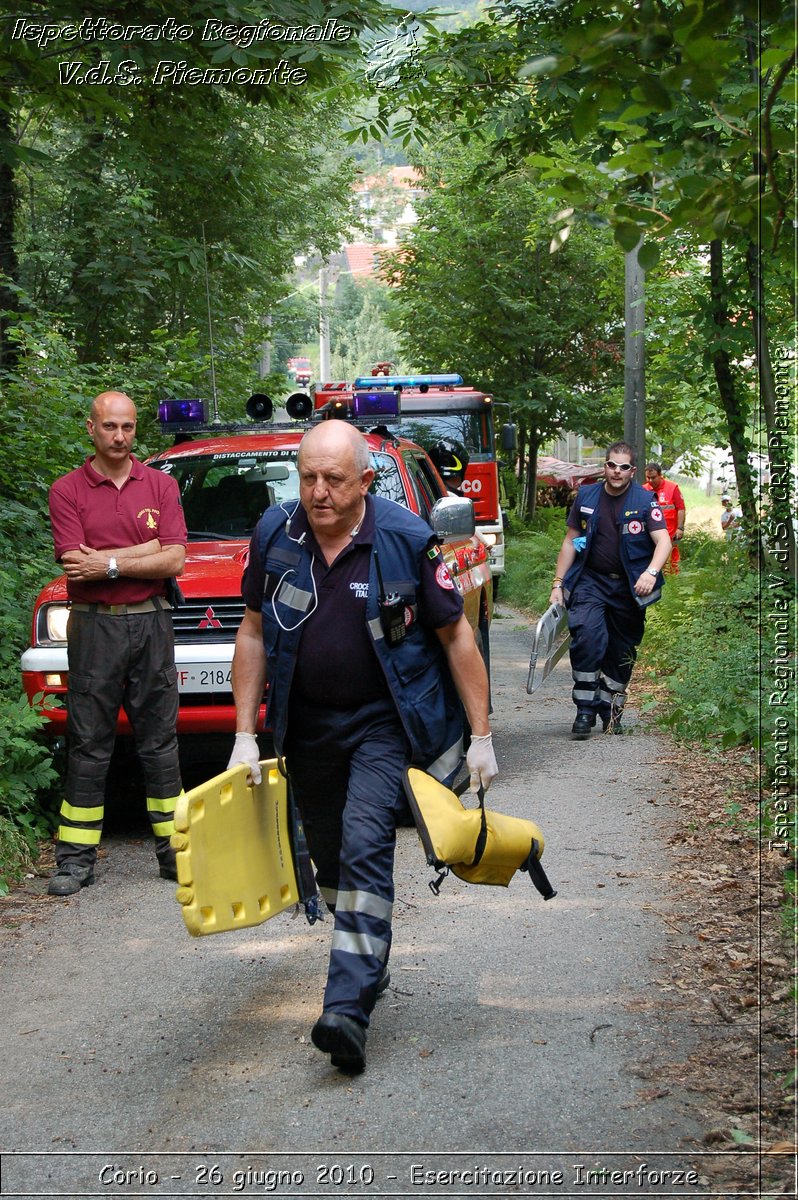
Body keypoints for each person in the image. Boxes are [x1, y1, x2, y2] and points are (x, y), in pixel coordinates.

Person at [226, 420, 496, 1073]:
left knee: (365, 838)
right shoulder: (276, 534)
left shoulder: (405, 540)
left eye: (333, 480)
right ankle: (367, 959)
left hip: (384, 723)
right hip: (307, 727)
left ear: (366, 482)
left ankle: (345, 1010)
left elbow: (457, 636)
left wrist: (482, 737)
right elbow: (255, 632)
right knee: (334, 863)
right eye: (307, 476)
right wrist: (242, 735)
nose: (317, 492)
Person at [47, 391, 187, 896]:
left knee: (161, 742)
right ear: (91, 428)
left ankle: (176, 855)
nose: (120, 436)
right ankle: (75, 861)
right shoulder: (67, 491)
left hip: (151, 623)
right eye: (109, 427)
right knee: (88, 742)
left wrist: (108, 561)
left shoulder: (162, 485)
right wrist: (146, 550)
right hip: (94, 626)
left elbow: (173, 561)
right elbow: (73, 562)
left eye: (127, 427)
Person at [549, 442, 671, 740]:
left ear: (632, 471)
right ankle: (585, 708)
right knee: (588, 637)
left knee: (621, 650)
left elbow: (664, 542)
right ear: (605, 466)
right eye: (611, 465)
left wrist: (650, 572)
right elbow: (570, 540)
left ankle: (610, 707)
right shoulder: (587, 496)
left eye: (624, 467)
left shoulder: (644, 501)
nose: (617, 472)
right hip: (590, 581)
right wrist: (557, 584)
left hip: (628, 587)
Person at [644, 462, 686, 573]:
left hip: (670, 533)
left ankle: (672, 582)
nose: (650, 481)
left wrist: (680, 528)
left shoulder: (672, 488)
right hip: (650, 534)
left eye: (653, 478)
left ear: (660, 475)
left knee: (671, 560)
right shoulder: (644, 490)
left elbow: (681, 508)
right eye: (648, 478)